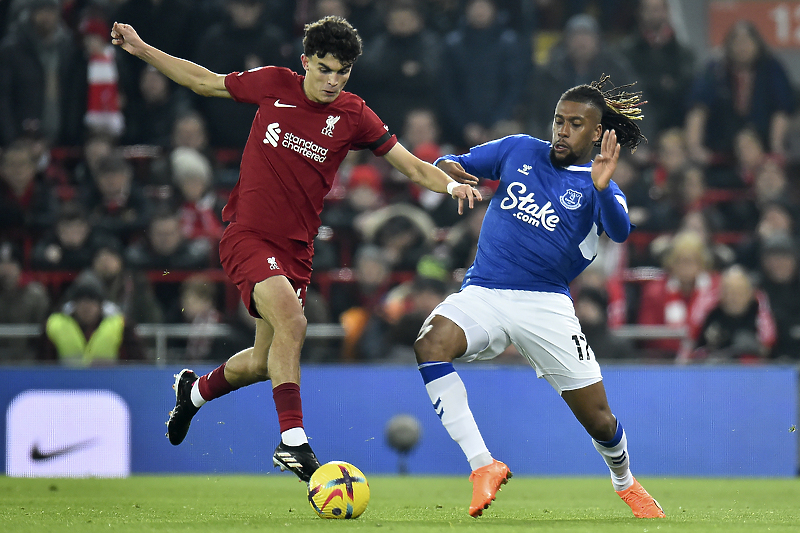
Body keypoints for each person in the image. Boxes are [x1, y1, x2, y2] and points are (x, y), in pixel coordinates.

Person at [111, 15, 480, 482]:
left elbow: (410, 165)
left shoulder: (353, 115)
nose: (331, 80)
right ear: (305, 62)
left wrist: (449, 187)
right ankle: (293, 443)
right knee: (293, 322)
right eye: (323, 68)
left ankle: (195, 392)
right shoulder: (273, 85)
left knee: (266, 362)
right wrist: (143, 48)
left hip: (297, 251)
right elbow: (204, 82)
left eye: (342, 72)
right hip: (247, 235)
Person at [413, 76, 665, 519]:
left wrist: (605, 188)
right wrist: (451, 166)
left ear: (596, 132)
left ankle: (625, 482)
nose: (562, 131)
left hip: (545, 305)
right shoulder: (519, 149)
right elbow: (457, 160)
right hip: (484, 290)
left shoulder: (597, 183)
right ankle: (483, 465)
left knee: (600, 420)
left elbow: (622, 231)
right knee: (429, 343)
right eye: (558, 120)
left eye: (575, 124)